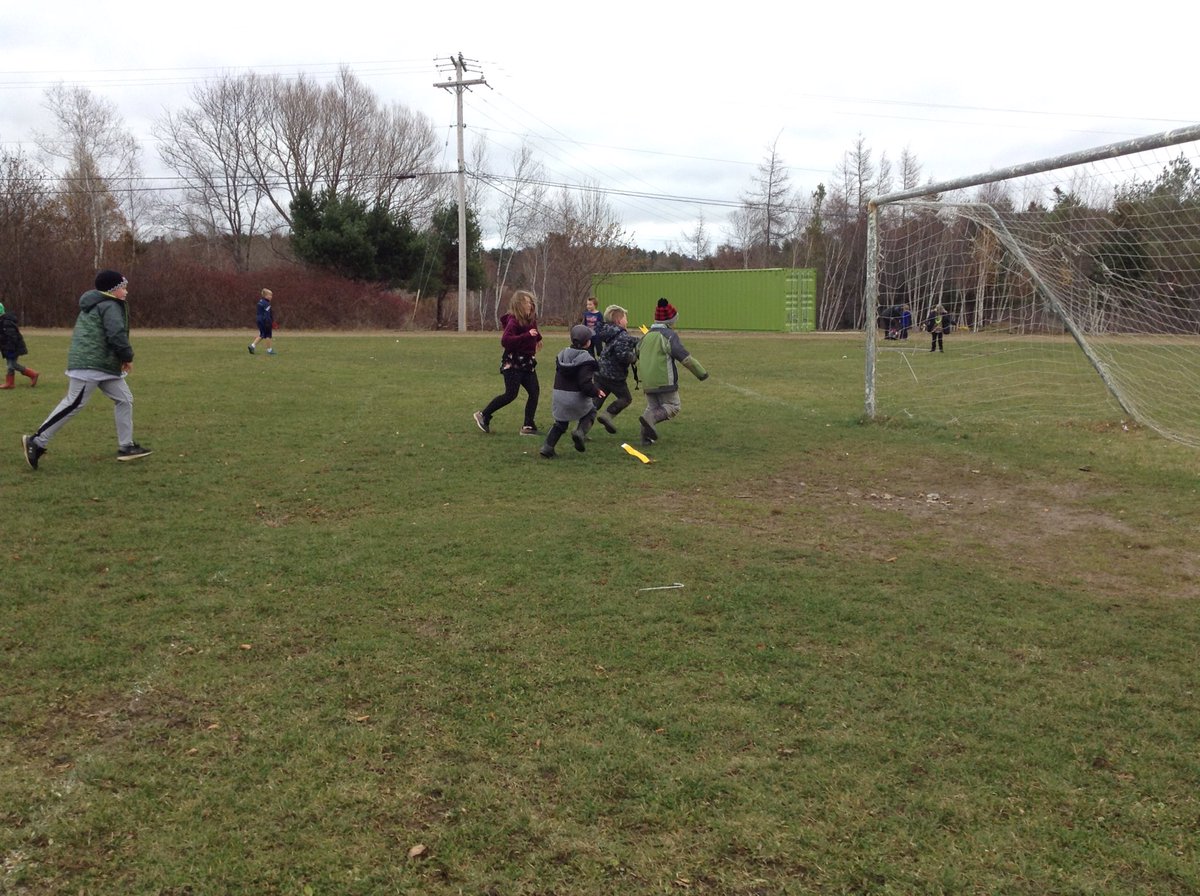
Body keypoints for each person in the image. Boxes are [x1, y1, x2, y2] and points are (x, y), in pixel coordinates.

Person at [22, 270, 151, 470]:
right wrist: (127, 356)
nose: (126, 291)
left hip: (102, 365)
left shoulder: (96, 304)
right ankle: (36, 441)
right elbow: (116, 333)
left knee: (124, 399)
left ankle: (126, 446)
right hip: (90, 365)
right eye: (123, 288)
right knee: (73, 404)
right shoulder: (110, 305)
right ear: (112, 290)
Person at [637, 298, 708, 447]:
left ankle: (645, 437)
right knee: (673, 406)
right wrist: (701, 373)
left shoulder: (646, 336)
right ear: (670, 320)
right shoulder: (669, 336)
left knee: (652, 406)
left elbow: (635, 353)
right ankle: (650, 419)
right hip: (664, 379)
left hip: (647, 381)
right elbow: (684, 357)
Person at [473, 289, 543, 435]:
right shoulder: (513, 321)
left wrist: (538, 339)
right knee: (511, 394)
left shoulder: (530, 319)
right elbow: (506, 341)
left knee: (534, 392)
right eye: (526, 302)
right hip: (513, 364)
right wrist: (526, 336)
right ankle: (484, 415)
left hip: (527, 363)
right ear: (519, 304)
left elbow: (533, 331)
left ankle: (528, 425)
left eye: (530, 302)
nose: (529, 305)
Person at [539, 325, 605, 459]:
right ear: (588, 342)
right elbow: (585, 384)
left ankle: (547, 447)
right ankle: (580, 432)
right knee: (591, 412)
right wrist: (596, 391)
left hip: (559, 395)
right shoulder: (586, 359)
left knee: (560, 422)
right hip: (575, 397)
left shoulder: (562, 354)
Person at [590, 304, 640, 434]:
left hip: (601, 373)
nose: (627, 321)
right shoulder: (621, 335)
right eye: (625, 318)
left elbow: (622, 341)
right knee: (625, 398)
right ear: (619, 321)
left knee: (595, 403)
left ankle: (580, 430)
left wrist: (637, 341)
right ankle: (607, 415)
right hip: (615, 376)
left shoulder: (609, 331)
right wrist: (634, 357)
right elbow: (622, 355)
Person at [0, 301, 39, 389]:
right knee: (10, 365)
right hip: (8, 348)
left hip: (13, 348)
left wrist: (9, 349)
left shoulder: (6, 322)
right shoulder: (2, 322)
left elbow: (12, 337)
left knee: (12, 365)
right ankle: (10, 383)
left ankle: (33, 374)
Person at [248, 288, 275, 354]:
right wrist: (269, 322)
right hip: (265, 321)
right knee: (268, 335)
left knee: (262, 334)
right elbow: (267, 314)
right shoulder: (267, 304)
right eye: (270, 295)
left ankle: (252, 346)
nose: (271, 297)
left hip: (259, 320)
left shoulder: (260, 302)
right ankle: (269, 350)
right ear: (265, 296)